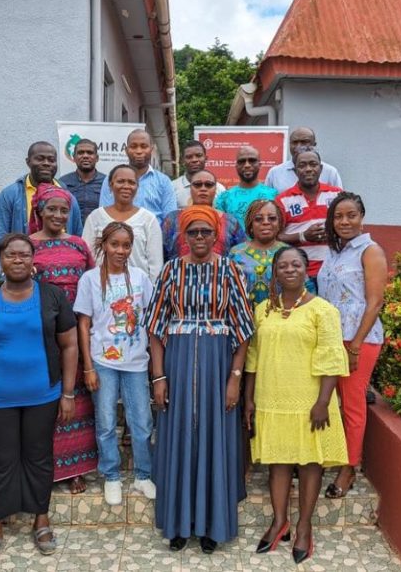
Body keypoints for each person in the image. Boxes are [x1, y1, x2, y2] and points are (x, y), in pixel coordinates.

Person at [0, 233, 78, 567]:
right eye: (11, 255)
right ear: (1, 259)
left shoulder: (52, 297)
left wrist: (67, 393)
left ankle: (41, 521)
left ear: (33, 259)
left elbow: (70, 346)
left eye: (24, 254)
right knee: (0, 461)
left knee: (39, 457)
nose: (18, 260)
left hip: (43, 395)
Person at [144, 206, 254, 554]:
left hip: (218, 365)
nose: (200, 238)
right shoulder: (170, 270)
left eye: (207, 231)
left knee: (213, 439)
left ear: (216, 234)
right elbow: (155, 329)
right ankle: (178, 523)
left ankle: (211, 525)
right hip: (175, 363)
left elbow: (243, 330)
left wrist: (234, 379)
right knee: (178, 439)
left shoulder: (230, 270)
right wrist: (158, 377)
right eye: (194, 232)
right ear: (184, 236)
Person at [244, 246, 349, 564]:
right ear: (275, 272)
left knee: (309, 463)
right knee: (277, 461)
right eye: (283, 265)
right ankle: (279, 521)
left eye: (296, 265)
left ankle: (304, 526)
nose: (289, 269)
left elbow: (332, 357)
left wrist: (323, 401)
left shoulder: (323, 310)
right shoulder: (263, 310)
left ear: (306, 270)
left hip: (310, 400)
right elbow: (253, 357)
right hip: (271, 397)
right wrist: (249, 399)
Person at [74, 222, 156, 506]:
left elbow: (152, 319)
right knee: (106, 421)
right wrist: (88, 367)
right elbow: (83, 325)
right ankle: (111, 476)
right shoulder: (90, 280)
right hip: (102, 361)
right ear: (104, 245)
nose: (120, 250)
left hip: (135, 362)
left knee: (142, 423)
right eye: (115, 244)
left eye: (126, 245)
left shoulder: (141, 277)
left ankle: (144, 475)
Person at [29, 183, 98, 495]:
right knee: (47, 398)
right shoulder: (27, 246)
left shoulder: (79, 245)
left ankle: (77, 469)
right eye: (52, 209)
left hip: (77, 329)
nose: (58, 215)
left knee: (77, 401)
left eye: (63, 210)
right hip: (42, 333)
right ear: (39, 212)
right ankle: (50, 468)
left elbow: (95, 283)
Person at [317, 192, 387, 498]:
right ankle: (327, 457)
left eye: (351, 215)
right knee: (326, 401)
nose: (345, 221)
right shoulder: (335, 252)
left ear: (362, 217)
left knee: (352, 406)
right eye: (339, 216)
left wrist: (356, 344)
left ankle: (349, 468)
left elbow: (375, 302)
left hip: (358, 339)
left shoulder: (370, 251)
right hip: (331, 337)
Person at [0, 142, 83, 270]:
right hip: (22, 272)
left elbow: (77, 236)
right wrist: (4, 274)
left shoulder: (68, 197)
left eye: (51, 160)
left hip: (62, 271)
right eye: (40, 158)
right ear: (28, 162)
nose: (46, 163)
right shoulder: (10, 194)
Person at [275, 147, 342, 291]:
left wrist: (334, 232)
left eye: (313, 164)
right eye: (302, 165)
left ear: (321, 168)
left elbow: (349, 228)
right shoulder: (282, 200)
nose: (308, 169)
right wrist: (303, 236)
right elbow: (276, 237)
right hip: (301, 275)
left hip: (334, 271)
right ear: (295, 170)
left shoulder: (337, 195)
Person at [84, 164, 163, 283]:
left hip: (137, 290)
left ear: (137, 187)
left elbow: (156, 265)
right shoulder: (95, 218)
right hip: (101, 287)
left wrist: (151, 294)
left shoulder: (148, 220)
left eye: (131, 182)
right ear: (111, 185)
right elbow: (88, 256)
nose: (126, 186)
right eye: (120, 181)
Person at [161, 169, 244, 260]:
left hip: (221, 272)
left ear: (215, 189)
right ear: (190, 188)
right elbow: (161, 253)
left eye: (208, 185)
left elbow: (240, 254)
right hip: (178, 272)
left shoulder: (230, 222)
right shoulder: (173, 219)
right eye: (197, 185)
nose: (203, 188)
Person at [98, 129, 177, 223]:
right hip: (118, 234)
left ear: (151, 149)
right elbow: (104, 215)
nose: (139, 151)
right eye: (133, 146)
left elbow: (170, 220)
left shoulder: (164, 181)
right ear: (126, 150)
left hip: (152, 236)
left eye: (144, 146)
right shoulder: (112, 179)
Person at [228, 200, 287, 308]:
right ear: (250, 225)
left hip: (281, 319)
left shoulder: (288, 253)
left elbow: (304, 288)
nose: (265, 222)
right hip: (244, 318)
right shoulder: (236, 253)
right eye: (258, 219)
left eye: (272, 218)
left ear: (279, 224)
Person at [214, 146, 278, 237]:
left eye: (252, 160)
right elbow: (220, 231)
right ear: (236, 166)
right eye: (242, 161)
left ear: (259, 164)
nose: (247, 165)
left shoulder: (274, 195)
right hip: (234, 250)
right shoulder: (224, 198)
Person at [265, 127, 342, 193]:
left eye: (304, 142)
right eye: (294, 142)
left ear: (314, 144)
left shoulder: (330, 172)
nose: (298, 147)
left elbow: (339, 202)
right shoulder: (275, 173)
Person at [58, 138, 105, 223]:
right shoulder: (62, 182)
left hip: (98, 233)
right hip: (71, 233)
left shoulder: (107, 182)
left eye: (90, 153)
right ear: (74, 157)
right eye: (80, 153)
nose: (85, 156)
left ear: (97, 158)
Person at [171, 140, 226, 208]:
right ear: (183, 160)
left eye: (199, 155)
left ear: (206, 158)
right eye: (189, 157)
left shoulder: (219, 189)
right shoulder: (172, 187)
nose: (194, 160)